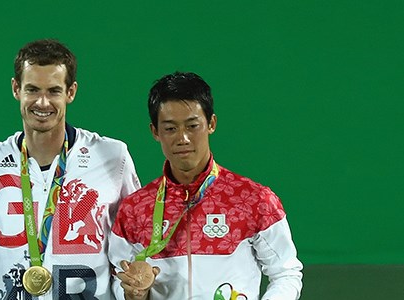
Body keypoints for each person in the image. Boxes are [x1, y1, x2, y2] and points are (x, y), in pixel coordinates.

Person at [0, 39, 141, 299]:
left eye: (53, 91)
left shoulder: (112, 157)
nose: (42, 102)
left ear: (70, 92)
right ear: (16, 88)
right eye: (32, 90)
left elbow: (135, 240)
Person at [108, 71, 303, 300]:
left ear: (211, 123)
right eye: (170, 128)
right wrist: (134, 294)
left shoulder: (254, 199)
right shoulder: (135, 209)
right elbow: (116, 280)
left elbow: (286, 272)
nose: (183, 138)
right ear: (155, 132)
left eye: (192, 126)